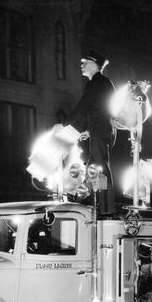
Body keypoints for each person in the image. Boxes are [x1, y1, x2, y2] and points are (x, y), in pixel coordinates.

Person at [59, 50, 116, 214]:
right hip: (100, 128)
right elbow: (99, 108)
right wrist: (89, 131)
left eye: (85, 62)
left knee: (99, 167)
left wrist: (64, 124)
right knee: (94, 167)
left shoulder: (97, 82)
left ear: (93, 64)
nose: (81, 65)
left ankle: (106, 209)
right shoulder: (102, 82)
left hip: (100, 128)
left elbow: (84, 106)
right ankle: (95, 203)